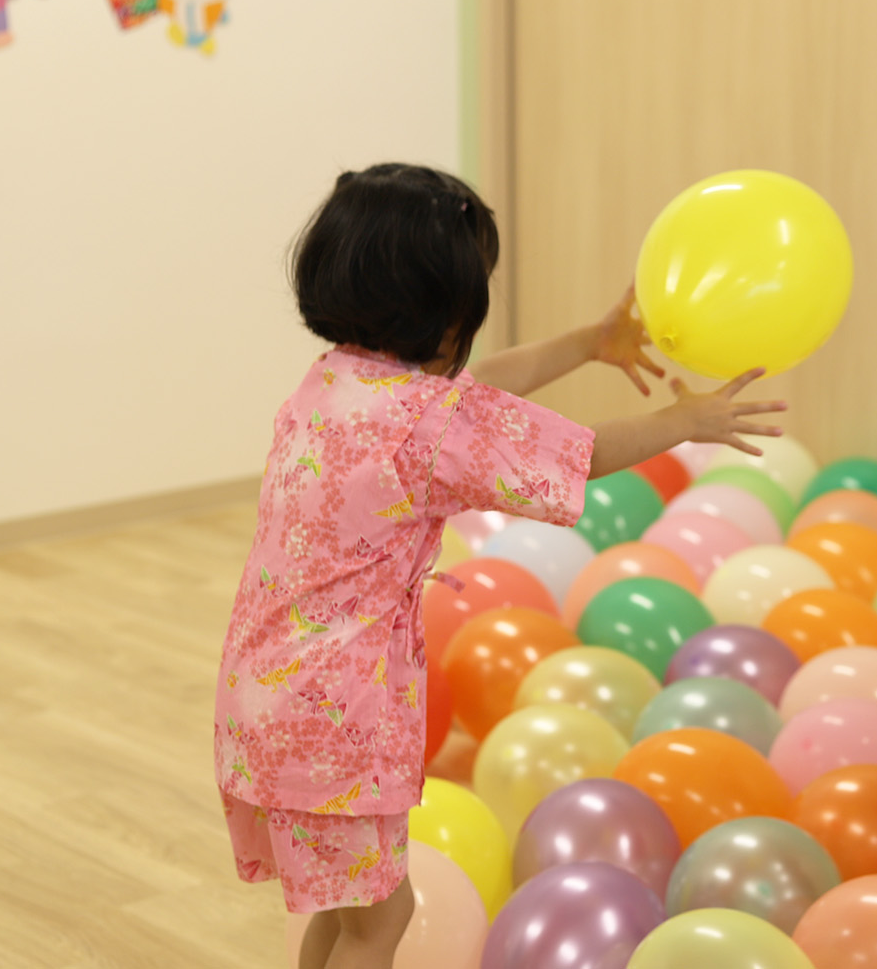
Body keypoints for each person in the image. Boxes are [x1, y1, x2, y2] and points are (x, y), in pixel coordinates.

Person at [213, 163, 786, 968]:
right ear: (447, 311)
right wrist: (684, 419)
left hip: (265, 700)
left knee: (347, 908)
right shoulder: (430, 425)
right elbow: (577, 456)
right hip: (336, 718)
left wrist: (590, 343)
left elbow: (479, 396)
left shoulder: (337, 383)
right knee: (381, 918)